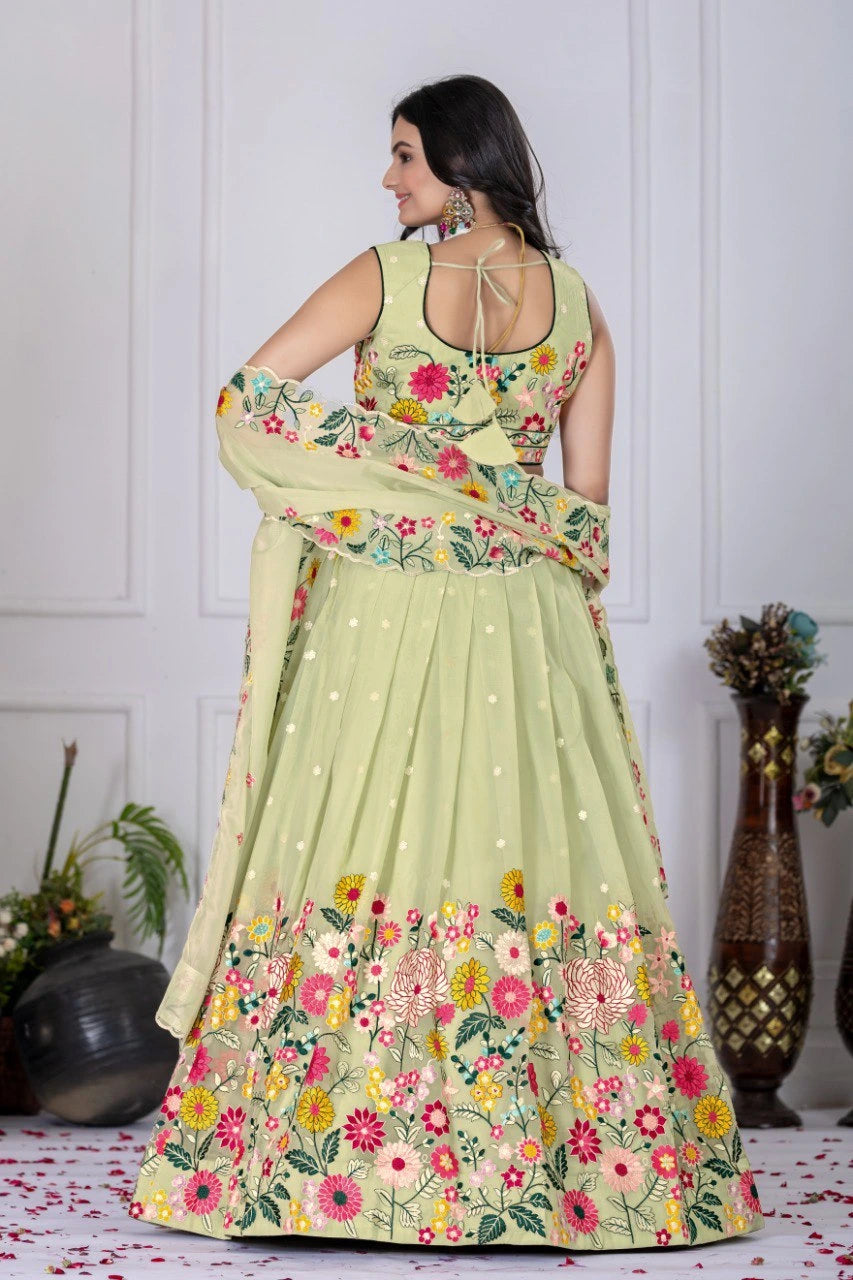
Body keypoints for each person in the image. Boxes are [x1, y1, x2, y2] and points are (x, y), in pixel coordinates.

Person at [128, 75, 764, 1252]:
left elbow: (248, 403)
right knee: (513, 847)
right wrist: (484, 491)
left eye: (405, 157)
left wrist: (398, 490)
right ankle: (580, 1175)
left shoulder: (385, 274)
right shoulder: (576, 303)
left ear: (462, 165)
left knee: (368, 843)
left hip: (388, 608)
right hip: (531, 623)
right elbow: (584, 513)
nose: (389, 180)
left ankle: (331, 1169)